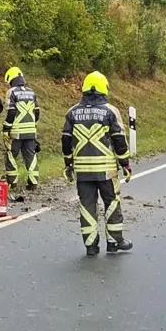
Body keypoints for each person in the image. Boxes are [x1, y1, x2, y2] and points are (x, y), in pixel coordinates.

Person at [61, 71, 132, 255]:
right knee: (111, 203)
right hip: (106, 171)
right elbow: (119, 139)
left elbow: (66, 141)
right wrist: (125, 163)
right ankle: (114, 242)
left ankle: (91, 246)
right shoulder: (110, 111)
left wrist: (68, 164)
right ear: (104, 89)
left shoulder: (72, 113)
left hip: (83, 172)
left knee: (87, 206)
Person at [1, 66, 42, 191]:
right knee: (30, 155)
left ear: (11, 79)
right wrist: (32, 124)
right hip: (30, 131)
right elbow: (37, 112)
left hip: (16, 131)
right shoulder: (32, 92)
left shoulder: (12, 92)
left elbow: (11, 112)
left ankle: (12, 182)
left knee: (11, 154)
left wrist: (6, 128)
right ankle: (33, 182)